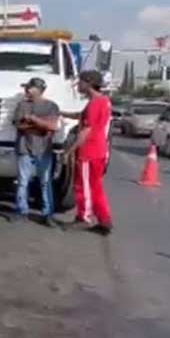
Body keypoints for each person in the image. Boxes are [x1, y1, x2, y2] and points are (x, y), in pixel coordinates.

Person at [63, 70, 113, 235]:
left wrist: (70, 151)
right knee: (95, 187)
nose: (78, 85)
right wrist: (62, 113)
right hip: (99, 151)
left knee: (82, 187)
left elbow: (86, 130)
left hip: (88, 152)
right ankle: (105, 220)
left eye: (81, 82)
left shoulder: (94, 103)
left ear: (89, 83)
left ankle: (83, 218)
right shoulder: (103, 100)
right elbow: (82, 117)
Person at [12, 77, 60, 225]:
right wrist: (41, 125)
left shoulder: (51, 106)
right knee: (22, 182)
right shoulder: (22, 105)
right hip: (24, 147)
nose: (26, 90)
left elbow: (53, 127)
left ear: (39, 89)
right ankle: (21, 211)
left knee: (45, 182)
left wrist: (32, 119)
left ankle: (47, 214)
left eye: (29, 88)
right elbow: (19, 125)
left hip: (44, 149)